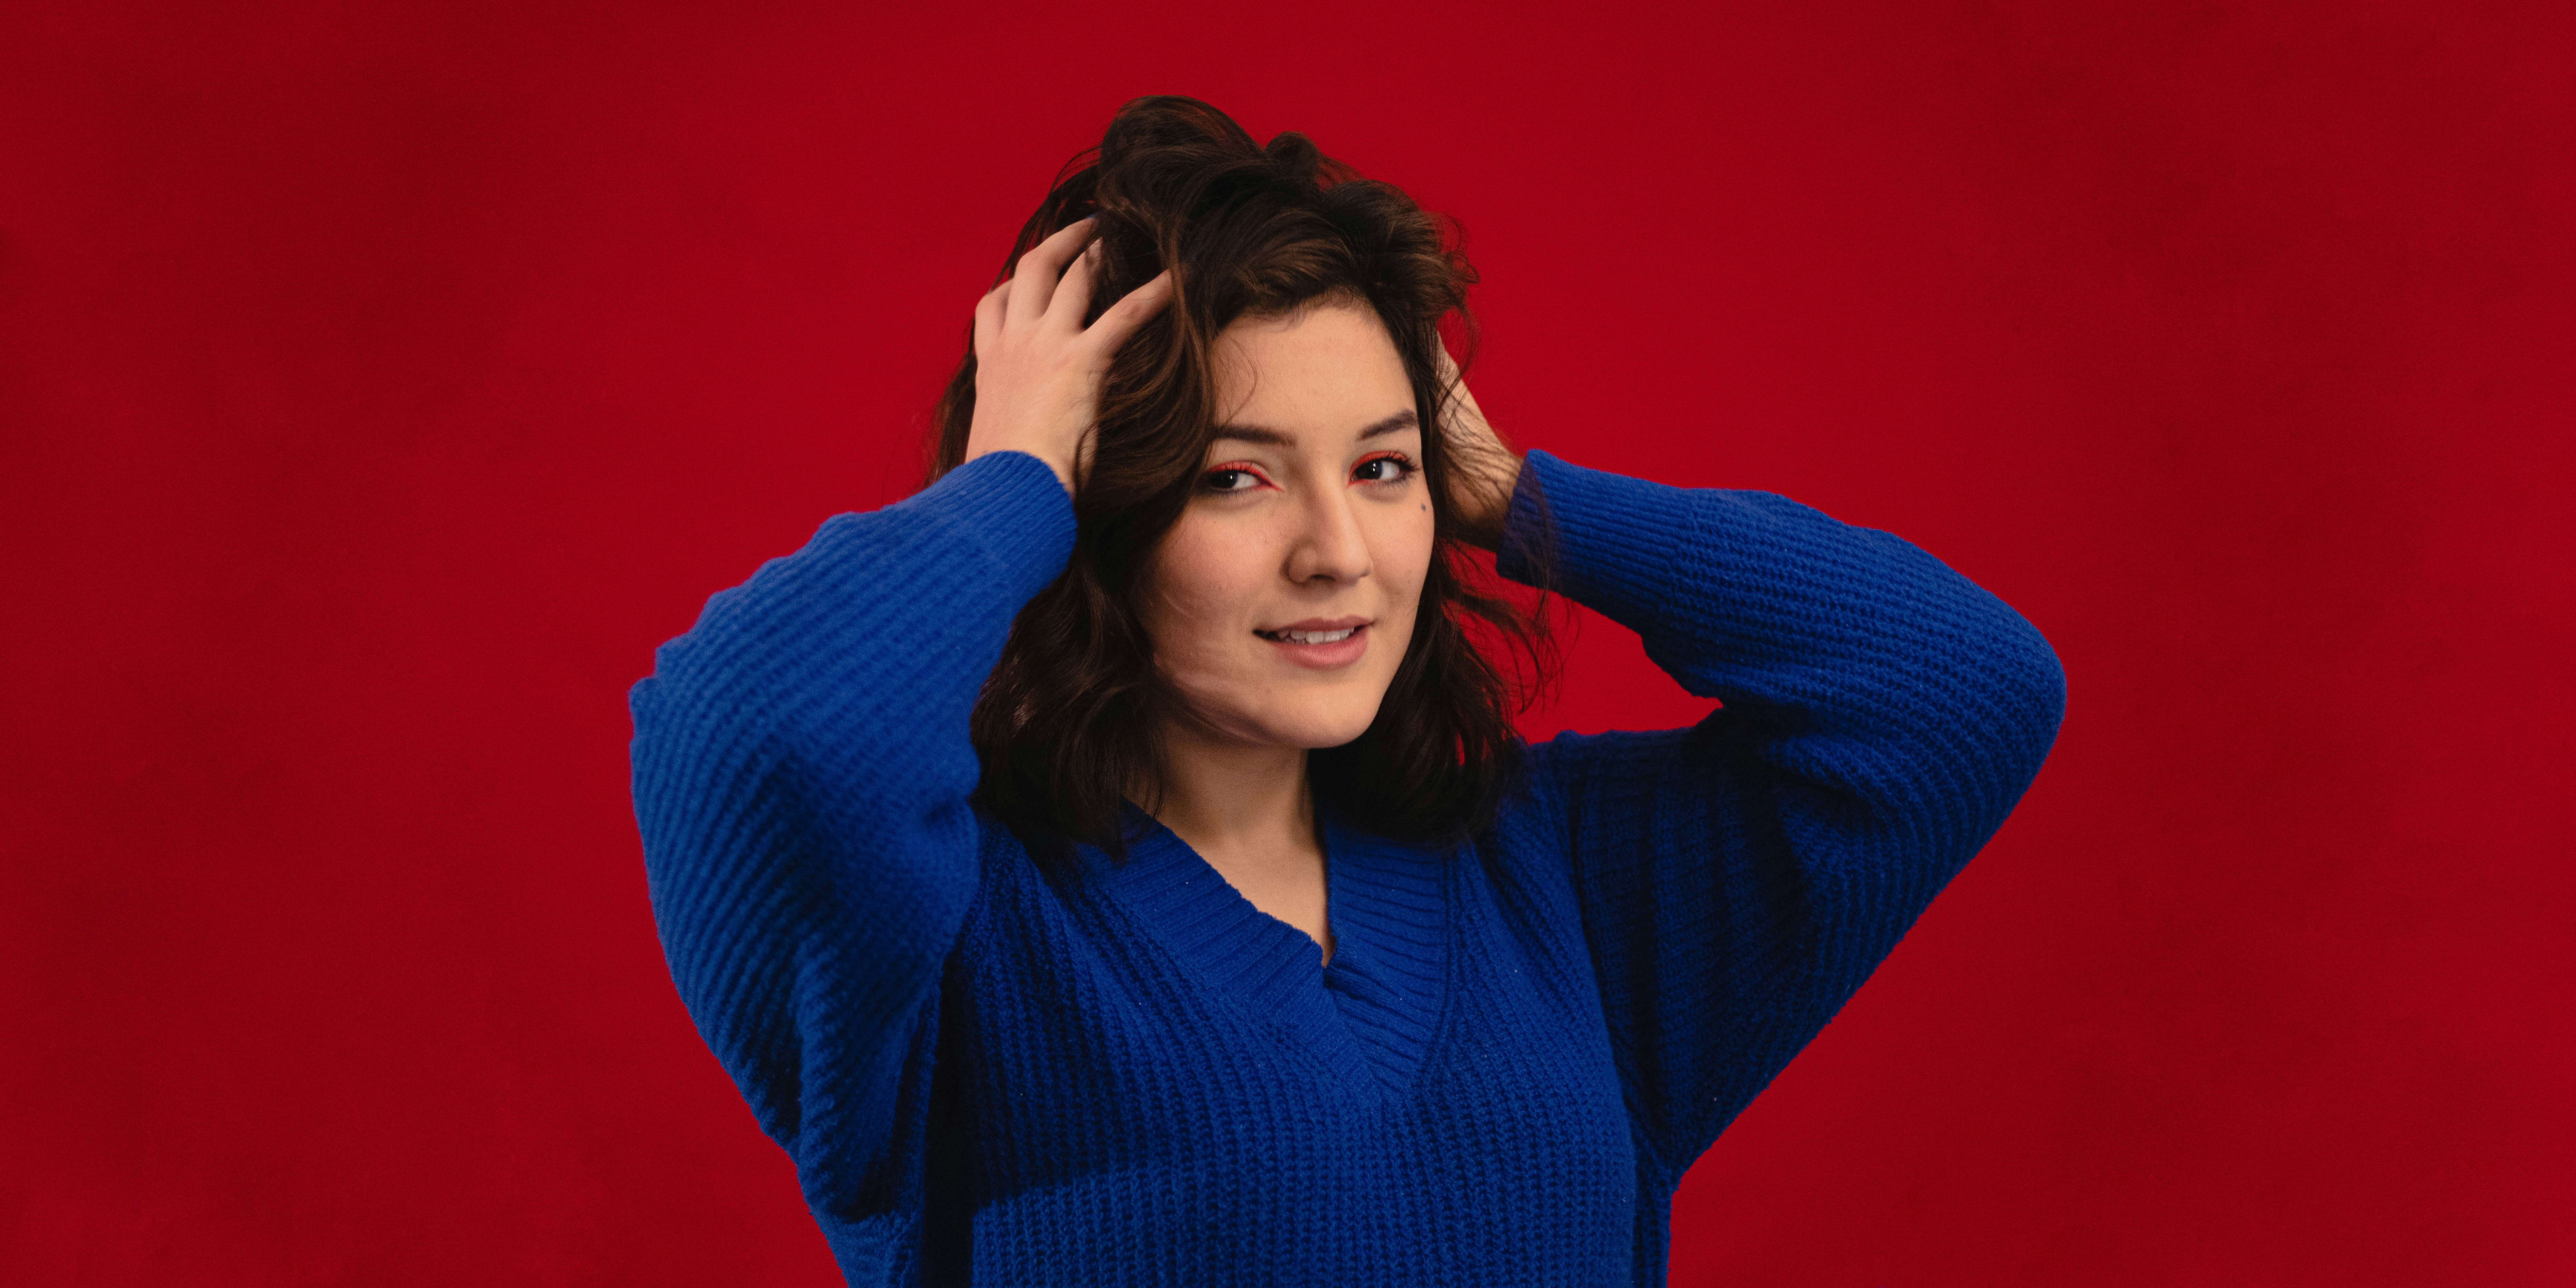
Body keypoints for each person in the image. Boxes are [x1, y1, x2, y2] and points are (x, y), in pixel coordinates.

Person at [628, 95, 2067, 1287]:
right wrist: (1013, 481)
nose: (1338, 555)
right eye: (1234, 477)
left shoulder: (1557, 885)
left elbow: (1958, 694)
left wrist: (1513, 495)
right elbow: (765, 735)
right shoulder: (948, 943)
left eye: (1381, 469)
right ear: (1102, 515)